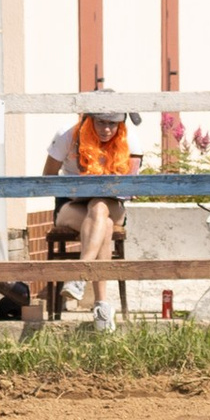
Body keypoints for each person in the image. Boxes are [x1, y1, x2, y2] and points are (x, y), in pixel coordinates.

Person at [39, 99, 134, 326]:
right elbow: (47, 178)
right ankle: (102, 307)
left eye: (113, 124)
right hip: (72, 204)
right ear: (89, 118)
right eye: (101, 122)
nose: (107, 129)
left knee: (100, 207)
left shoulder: (129, 139)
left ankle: (78, 274)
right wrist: (74, 189)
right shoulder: (68, 135)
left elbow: (131, 186)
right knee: (104, 224)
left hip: (113, 204)